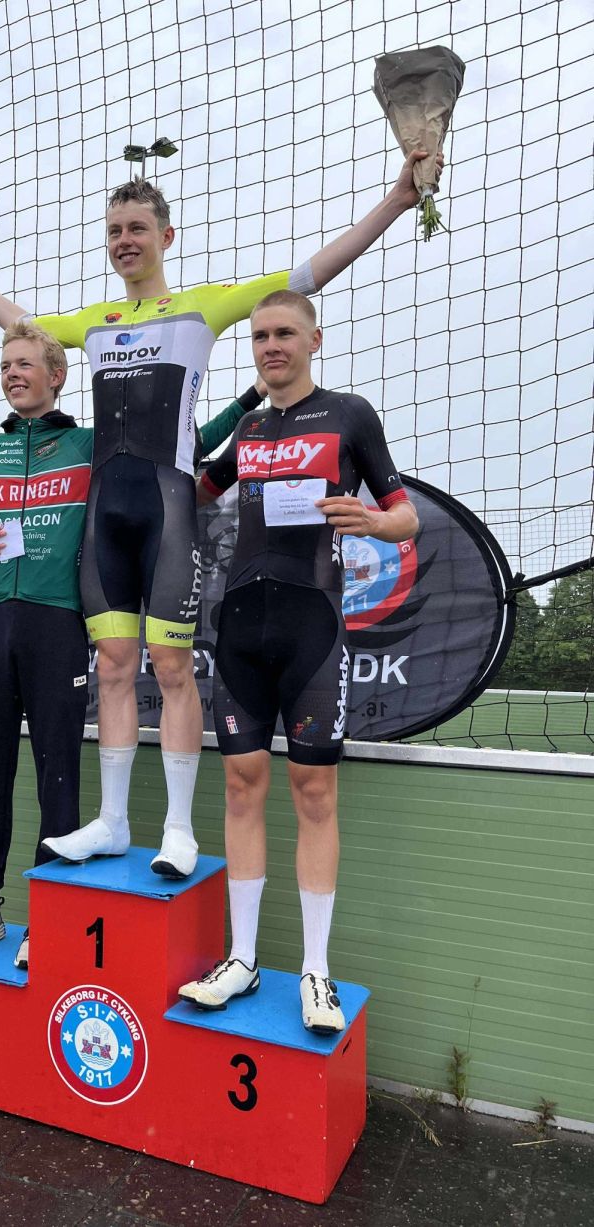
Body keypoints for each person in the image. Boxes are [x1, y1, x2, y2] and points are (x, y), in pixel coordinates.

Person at [0, 149, 441, 881]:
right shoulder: (94, 322)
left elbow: (306, 275)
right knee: (114, 665)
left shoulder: (203, 307)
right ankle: (113, 822)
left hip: (168, 507)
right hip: (107, 516)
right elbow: (20, 322)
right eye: (114, 230)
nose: (124, 240)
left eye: (137, 228)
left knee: (173, 665)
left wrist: (397, 201)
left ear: (166, 236)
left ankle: (177, 829)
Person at [0, 322, 261, 967]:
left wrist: (250, 400)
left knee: (58, 772)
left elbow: (185, 440)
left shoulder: (90, 443)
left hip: (57, 620)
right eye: (6, 365)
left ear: (57, 375)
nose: (13, 374)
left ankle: (49, 918)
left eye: (25, 364)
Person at [177, 290, 418, 1033]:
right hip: (239, 627)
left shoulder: (350, 415)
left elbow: (405, 514)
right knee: (240, 787)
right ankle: (242, 959)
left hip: (313, 626)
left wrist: (372, 520)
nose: (271, 345)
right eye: (260, 336)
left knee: (313, 793)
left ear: (314, 339)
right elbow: (197, 490)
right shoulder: (249, 426)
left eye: (284, 333)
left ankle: (316, 970)